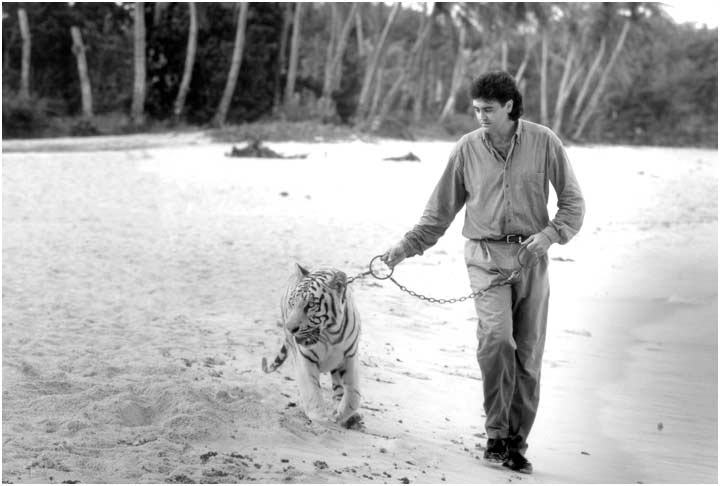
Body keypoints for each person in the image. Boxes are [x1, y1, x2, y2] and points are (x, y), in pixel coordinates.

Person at [381, 71, 585, 474]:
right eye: (476, 110)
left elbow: (573, 204)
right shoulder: (466, 148)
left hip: (532, 258)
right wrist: (404, 247)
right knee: (497, 339)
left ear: (509, 106)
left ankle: (515, 444)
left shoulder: (545, 141)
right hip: (484, 257)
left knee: (528, 355)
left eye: (488, 109)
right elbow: (439, 211)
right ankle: (495, 433)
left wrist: (549, 236)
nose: (481, 117)